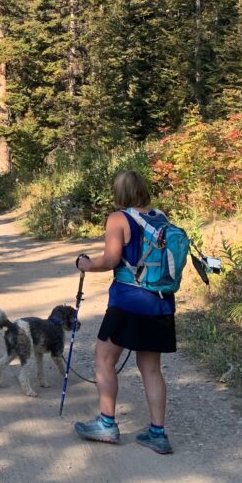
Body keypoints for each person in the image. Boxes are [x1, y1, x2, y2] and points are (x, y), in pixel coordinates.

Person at [72, 170, 175, 454]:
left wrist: (87, 265)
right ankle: (157, 433)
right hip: (160, 301)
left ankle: (106, 423)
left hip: (128, 301)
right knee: (151, 368)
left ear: (119, 192)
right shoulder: (161, 217)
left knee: (104, 357)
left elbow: (111, 259)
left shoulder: (118, 219)